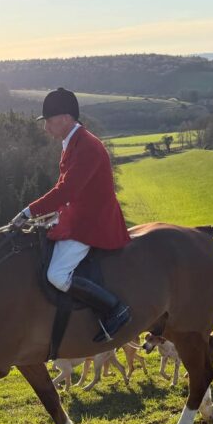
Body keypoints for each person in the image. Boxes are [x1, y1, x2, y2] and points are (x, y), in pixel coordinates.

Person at [12, 87, 132, 341]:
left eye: (50, 121)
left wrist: (29, 211)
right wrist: (49, 215)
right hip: (77, 214)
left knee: (56, 275)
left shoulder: (87, 146)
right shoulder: (74, 142)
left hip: (93, 222)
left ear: (66, 118)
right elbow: (67, 190)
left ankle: (115, 308)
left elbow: (66, 190)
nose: (46, 127)